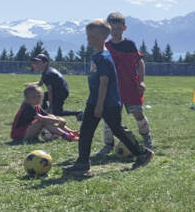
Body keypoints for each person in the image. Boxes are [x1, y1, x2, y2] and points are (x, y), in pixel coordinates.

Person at [63, 19, 153, 177]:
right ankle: (82, 163)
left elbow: (104, 82)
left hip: (107, 103)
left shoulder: (103, 57)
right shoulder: (97, 55)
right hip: (94, 100)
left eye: (92, 36)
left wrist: (99, 105)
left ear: (103, 37)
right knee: (86, 131)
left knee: (117, 129)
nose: (88, 39)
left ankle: (142, 153)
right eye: (87, 36)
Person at [96, 11, 153, 155]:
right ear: (108, 30)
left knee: (138, 114)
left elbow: (140, 62)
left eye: (119, 29)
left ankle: (147, 139)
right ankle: (108, 144)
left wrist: (141, 81)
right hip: (113, 89)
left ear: (124, 28)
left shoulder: (129, 44)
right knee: (110, 117)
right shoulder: (105, 47)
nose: (115, 32)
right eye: (113, 29)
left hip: (131, 87)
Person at [10, 83, 80, 142]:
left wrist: (57, 119)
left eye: (39, 96)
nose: (38, 99)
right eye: (34, 97)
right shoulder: (27, 107)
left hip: (28, 131)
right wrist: (58, 120)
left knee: (50, 119)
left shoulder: (37, 106)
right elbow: (42, 118)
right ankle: (66, 136)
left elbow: (49, 115)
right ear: (27, 99)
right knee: (43, 121)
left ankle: (71, 132)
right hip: (19, 135)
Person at [31, 53, 80, 119]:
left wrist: (51, 107)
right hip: (58, 91)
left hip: (60, 93)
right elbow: (40, 83)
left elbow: (50, 91)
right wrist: (30, 85)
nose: (36, 64)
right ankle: (45, 113)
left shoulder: (47, 74)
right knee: (40, 96)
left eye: (38, 62)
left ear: (45, 63)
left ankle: (78, 113)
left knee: (57, 112)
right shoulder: (47, 71)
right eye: (35, 62)